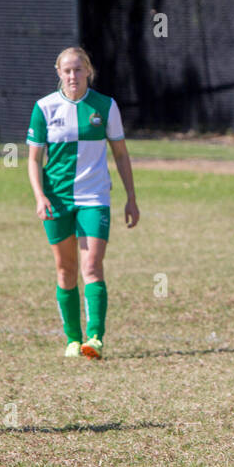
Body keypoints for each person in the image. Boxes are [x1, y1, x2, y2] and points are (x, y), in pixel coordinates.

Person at [27, 47, 138, 360]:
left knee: (91, 266)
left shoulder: (105, 106)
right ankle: (72, 340)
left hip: (95, 198)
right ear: (58, 73)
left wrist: (131, 196)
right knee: (65, 269)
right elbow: (34, 159)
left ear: (88, 71)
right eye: (67, 71)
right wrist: (40, 195)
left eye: (78, 70)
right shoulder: (44, 108)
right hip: (57, 200)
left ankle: (95, 339)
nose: (73, 76)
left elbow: (120, 154)